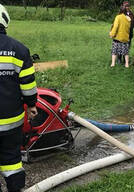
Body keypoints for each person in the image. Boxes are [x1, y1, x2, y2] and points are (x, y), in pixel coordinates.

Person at [0, 4, 38, 192]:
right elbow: (28, 86)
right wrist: (32, 105)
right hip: (11, 122)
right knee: (12, 161)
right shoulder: (19, 50)